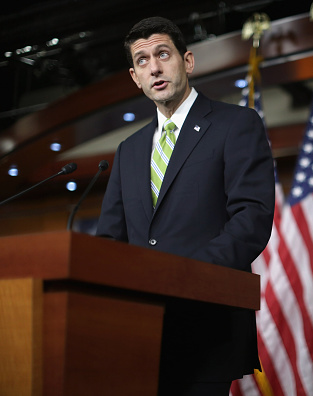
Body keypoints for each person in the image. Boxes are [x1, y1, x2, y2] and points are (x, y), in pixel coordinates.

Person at [96, 16, 275, 396]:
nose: (155, 67)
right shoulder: (128, 151)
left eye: (163, 54)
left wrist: (184, 276)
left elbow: (251, 219)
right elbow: (111, 241)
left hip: (206, 325)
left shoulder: (236, 124)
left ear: (187, 61)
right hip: (139, 332)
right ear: (134, 76)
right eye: (142, 61)